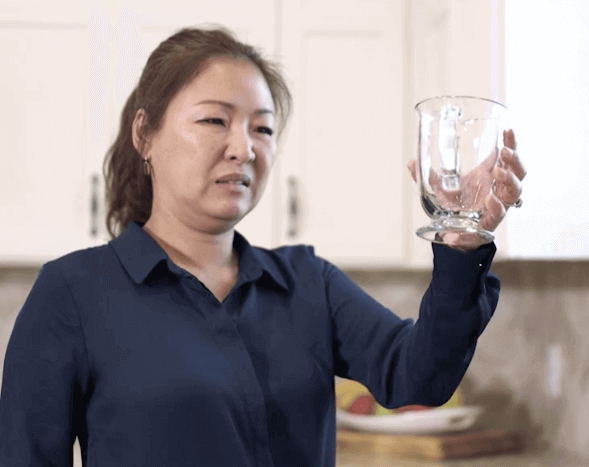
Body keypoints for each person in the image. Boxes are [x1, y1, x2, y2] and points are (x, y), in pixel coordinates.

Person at [0, 25, 525, 467]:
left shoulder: (308, 283)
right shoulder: (71, 294)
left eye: (263, 128)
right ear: (146, 134)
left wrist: (460, 241)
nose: (244, 149)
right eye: (214, 120)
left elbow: (418, 377)